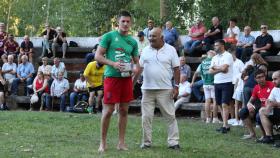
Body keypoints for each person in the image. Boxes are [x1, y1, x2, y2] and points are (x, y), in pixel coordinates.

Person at [94, 10, 140, 152]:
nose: (125, 24)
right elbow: (98, 56)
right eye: (123, 21)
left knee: (124, 111)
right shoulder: (109, 36)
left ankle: (121, 143)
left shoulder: (133, 41)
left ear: (130, 23)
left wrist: (134, 69)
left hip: (126, 79)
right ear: (118, 23)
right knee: (107, 111)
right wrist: (113, 64)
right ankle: (102, 143)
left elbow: (137, 64)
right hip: (111, 78)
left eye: (128, 21)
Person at [138, 27, 180, 150]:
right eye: (149, 36)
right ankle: (146, 142)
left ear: (162, 38)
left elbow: (176, 69)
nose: (150, 38)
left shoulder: (171, 50)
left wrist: (176, 86)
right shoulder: (145, 50)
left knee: (170, 116)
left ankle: (174, 142)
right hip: (147, 89)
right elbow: (139, 68)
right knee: (146, 117)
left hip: (165, 89)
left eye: (153, 36)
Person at [239, 69, 274, 140]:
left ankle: (266, 135)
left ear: (265, 77)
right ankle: (252, 134)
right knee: (243, 112)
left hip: (272, 108)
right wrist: (249, 104)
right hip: (262, 108)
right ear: (255, 79)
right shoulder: (256, 87)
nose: (261, 79)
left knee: (259, 114)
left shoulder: (272, 85)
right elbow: (251, 100)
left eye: (262, 76)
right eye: (259, 77)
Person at [209, 39, 234, 133]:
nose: (215, 47)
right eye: (214, 45)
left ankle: (224, 125)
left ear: (222, 45)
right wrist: (220, 69)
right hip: (217, 83)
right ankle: (226, 125)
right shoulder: (214, 58)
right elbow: (210, 71)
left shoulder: (228, 55)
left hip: (227, 82)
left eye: (217, 45)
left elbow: (225, 68)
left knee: (224, 104)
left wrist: (215, 67)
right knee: (219, 103)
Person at [192, 51, 218, 123]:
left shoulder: (202, 63)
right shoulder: (214, 61)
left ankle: (208, 119)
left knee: (207, 101)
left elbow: (198, 73)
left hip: (205, 83)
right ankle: (215, 119)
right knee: (215, 101)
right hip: (213, 83)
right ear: (213, 55)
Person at [259, 70, 280, 145]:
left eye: (275, 79)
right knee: (261, 111)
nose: (273, 81)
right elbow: (269, 100)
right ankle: (269, 137)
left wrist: (275, 103)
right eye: (272, 79)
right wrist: (268, 104)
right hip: (277, 110)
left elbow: (275, 103)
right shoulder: (275, 89)